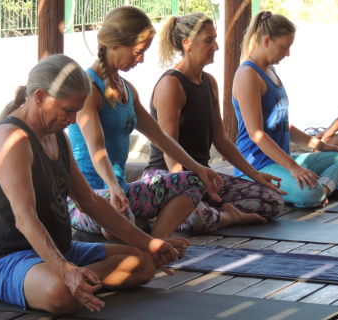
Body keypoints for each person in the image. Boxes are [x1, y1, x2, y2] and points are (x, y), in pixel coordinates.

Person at [0, 54, 185, 315]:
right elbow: (24, 218)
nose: (73, 119)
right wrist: (65, 271)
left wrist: (149, 242)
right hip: (6, 260)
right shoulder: (12, 139)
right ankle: (72, 283)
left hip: (63, 250)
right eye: (68, 109)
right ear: (39, 97)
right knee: (60, 293)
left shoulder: (56, 137)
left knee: (142, 262)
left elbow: (90, 202)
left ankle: (81, 283)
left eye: (77, 110)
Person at [68, 6, 222, 240]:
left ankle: (157, 245)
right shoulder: (88, 88)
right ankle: (147, 246)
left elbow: (161, 137)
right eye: (138, 51)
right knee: (116, 216)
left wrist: (200, 169)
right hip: (89, 199)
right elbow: (96, 148)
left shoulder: (127, 90)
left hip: (120, 193)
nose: (141, 59)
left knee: (193, 181)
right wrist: (112, 186)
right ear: (115, 45)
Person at [145, 12, 286, 235]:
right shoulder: (171, 85)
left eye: (215, 39)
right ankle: (228, 216)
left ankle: (217, 212)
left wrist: (255, 175)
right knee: (193, 218)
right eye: (209, 41)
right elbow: (169, 149)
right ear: (187, 43)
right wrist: (185, 188)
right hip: (167, 176)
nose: (216, 46)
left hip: (203, 177)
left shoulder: (209, 82)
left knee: (273, 201)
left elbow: (221, 140)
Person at [232, 11, 338, 208]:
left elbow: (283, 125)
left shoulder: (270, 70)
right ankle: (314, 193)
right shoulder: (247, 75)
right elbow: (257, 134)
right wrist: (293, 168)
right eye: (284, 47)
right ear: (266, 41)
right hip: (258, 167)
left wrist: (321, 146)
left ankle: (319, 192)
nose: (287, 54)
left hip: (282, 161)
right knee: (310, 194)